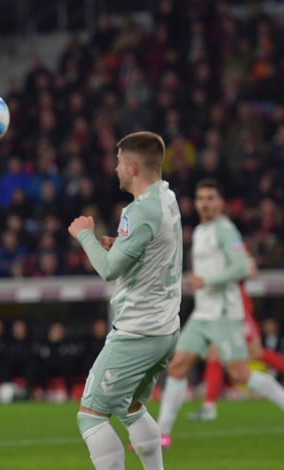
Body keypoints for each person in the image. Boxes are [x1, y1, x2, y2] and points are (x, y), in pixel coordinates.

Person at [68, 131, 182, 470]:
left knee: (91, 416)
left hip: (137, 331)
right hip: (165, 330)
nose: (115, 168)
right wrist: (118, 243)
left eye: (118, 162)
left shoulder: (139, 210)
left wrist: (84, 234)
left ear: (132, 166)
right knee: (131, 406)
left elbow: (108, 271)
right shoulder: (166, 197)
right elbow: (149, 249)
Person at [156, 178, 284, 448]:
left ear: (220, 203)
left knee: (240, 373)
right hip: (203, 314)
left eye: (210, 198)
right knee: (178, 367)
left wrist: (207, 281)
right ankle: (161, 434)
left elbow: (242, 268)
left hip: (225, 313)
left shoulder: (225, 230)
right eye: (201, 198)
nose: (205, 203)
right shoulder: (202, 231)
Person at [188, 247, 284, 422]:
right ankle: (209, 407)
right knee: (215, 354)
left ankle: (209, 407)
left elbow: (252, 272)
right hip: (222, 311)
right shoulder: (210, 243)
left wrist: (219, 276)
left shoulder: (234, 244)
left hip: (238, 311)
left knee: (254, 354)